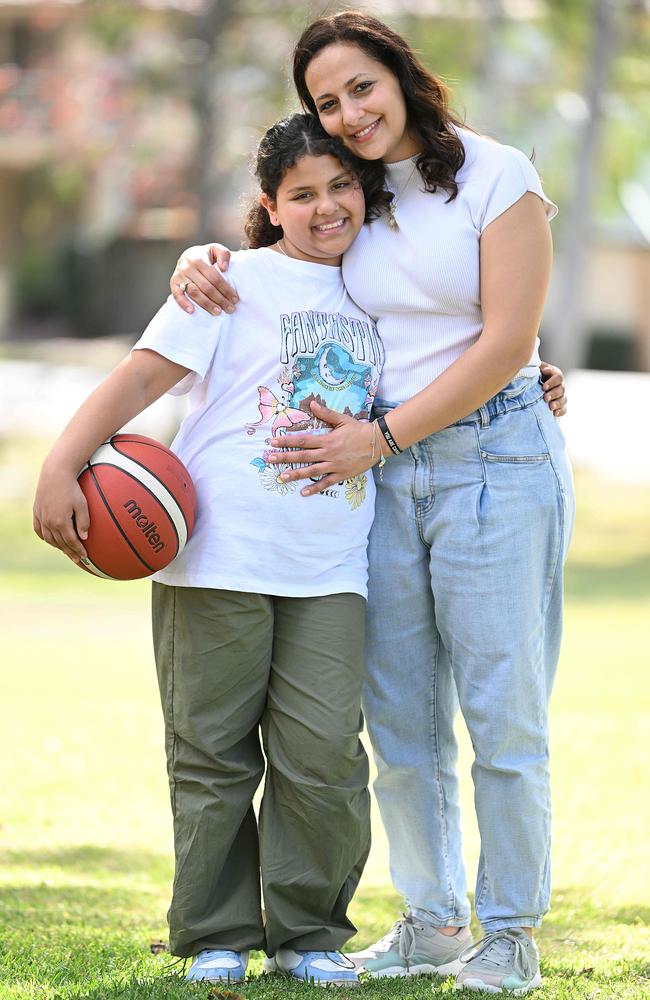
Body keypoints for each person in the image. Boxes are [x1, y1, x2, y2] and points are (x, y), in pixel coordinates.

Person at [168, 10, 575, 994]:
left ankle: (509, 932)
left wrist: (401, 428)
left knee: (500, 719)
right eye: (325, 101)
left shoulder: (494, 174)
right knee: (396, 723)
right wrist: (202, 260)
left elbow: (502, 343)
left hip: (488, 461)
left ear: (399, 73)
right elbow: (296, 264)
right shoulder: (357, 195)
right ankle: (433, 921)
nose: (348, 113)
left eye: (360, 86)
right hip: (380, 472)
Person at [32, 112, 397, 987]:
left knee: (325, 759)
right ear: (270, 206)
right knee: (210, 751)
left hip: (331, 563)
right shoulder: (231, 283)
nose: (325, 207)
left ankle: (311, 934)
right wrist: (59, 463)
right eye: (302, 194)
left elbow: (463, 361)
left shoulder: (390, 290)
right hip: (219, 555)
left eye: (340, 185)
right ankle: (217, 932)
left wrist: (535, 377)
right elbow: (142, 376)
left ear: (366, 190)